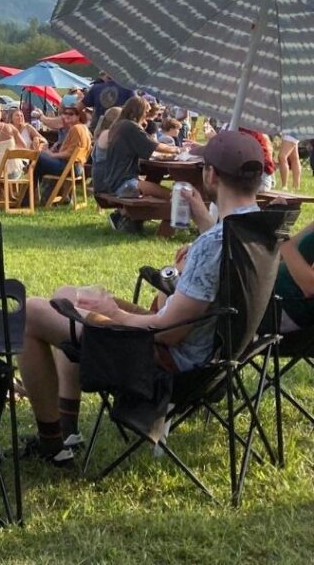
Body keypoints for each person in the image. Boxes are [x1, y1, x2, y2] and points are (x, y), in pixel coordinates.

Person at [17, 130, 266, 466]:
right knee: (66, 296)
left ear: (211, 174)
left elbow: (168, 332)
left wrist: (112, 314)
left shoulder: (214, 244)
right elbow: (215, 268)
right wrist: (202, 225)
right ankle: (67, 427)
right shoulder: (259, 229)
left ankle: (52, 444)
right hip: (210, 354)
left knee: (32, 311)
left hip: (166, 360)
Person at [93, 96, 177, 232]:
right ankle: (165, 230)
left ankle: (124, 216)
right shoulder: (129, 126)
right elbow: (154, 145)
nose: (147, 115)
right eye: (146, 112)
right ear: (139, 111)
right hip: (124, 183)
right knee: (171, 195)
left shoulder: (119, 125)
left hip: (113, 180)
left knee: (160, 192)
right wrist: (177, 149)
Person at [35, 104, 92, 200]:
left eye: (71, 114)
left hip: (70, 167)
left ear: (78, 116)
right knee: (38, 165)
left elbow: (70, 153)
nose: (67, 115)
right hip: (77, 167)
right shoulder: (84, 128)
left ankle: (30, 197)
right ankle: (49, 197)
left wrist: (52, 155)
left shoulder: (76, 128)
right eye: (65, 113)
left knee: (37, 156)